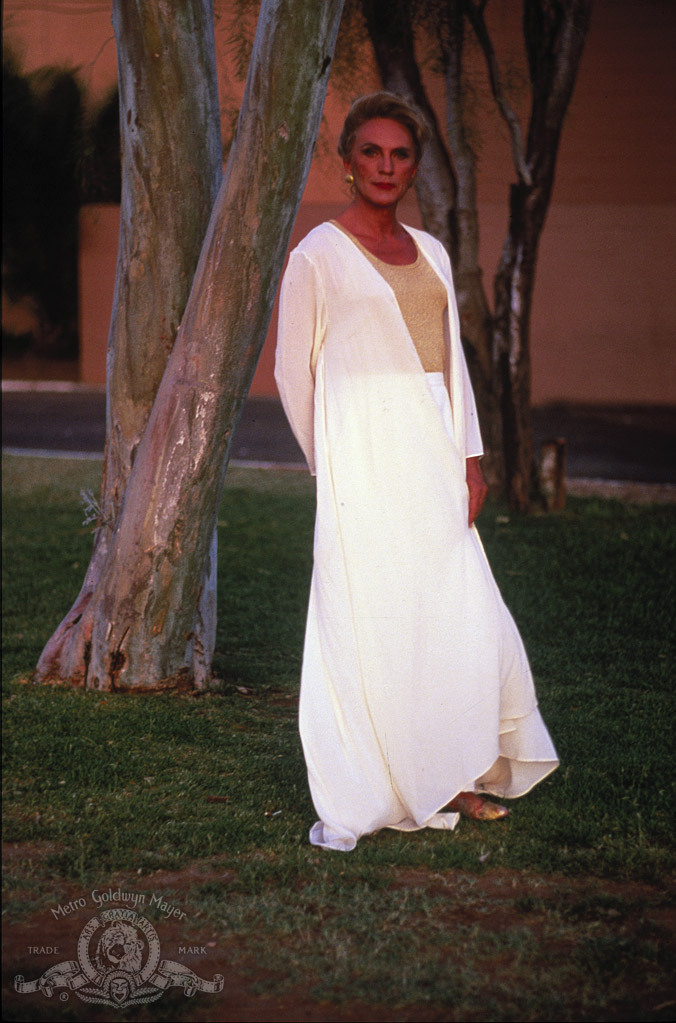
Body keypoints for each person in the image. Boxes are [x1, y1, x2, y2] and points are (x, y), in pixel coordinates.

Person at [275, 92, 558, 852]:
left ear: (413, 168)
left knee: (459, 615)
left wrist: (470, 458)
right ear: (347, 163)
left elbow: (453, 369)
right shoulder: (317, 256)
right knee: (371, 620)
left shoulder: (431, 252)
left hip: (433, 462)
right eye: (372, 151)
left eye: (400, 155)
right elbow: (290, 373)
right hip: (361, 471)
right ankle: (377, 777)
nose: (386, 166)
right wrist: (329, 467)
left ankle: (458, 770)